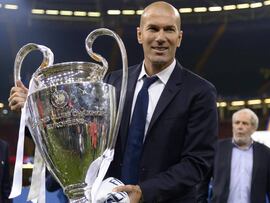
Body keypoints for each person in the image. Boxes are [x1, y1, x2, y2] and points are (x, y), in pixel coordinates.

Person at [8, 1, 218, 202]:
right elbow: (80, 134)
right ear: (140, 35)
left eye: (169, 30)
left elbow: (197, 163)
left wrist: (143, 192)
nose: (160, 37)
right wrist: (36, 110)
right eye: (153, 29)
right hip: (106, 198)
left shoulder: (200, 92)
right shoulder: (113, 82)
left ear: (179, 37)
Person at [211, 108, 270, 203]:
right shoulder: (217, 149)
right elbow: (202, 182)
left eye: (244, 123)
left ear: (253, 128)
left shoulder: (266, 154)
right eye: (237, 123)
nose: (239, 127)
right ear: (232, 126)